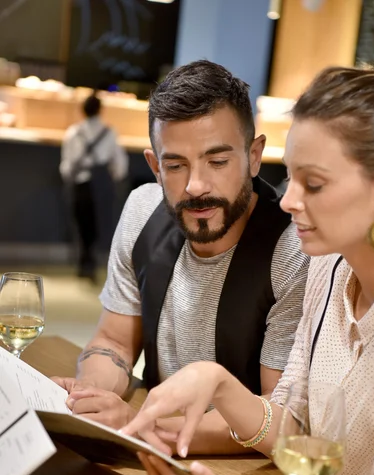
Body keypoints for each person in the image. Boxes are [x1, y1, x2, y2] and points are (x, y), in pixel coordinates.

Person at [112, 65, 374, 475]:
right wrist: (220, 385)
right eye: (290, 177)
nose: (286, 201)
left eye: (313, 184)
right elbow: (294, 427)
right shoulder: (329, 271)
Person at [55, 60, 309, 453]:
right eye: (175, 165)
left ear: (254, 156)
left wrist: (142, 427)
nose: (195, 186)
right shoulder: (142, 211)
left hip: (245, 471)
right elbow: (114, 341)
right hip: (152, 451)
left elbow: (278, 412)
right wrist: (92, 395)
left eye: (218, 161)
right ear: (155, 167)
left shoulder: (292, 249)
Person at [60, 93, 129, 281]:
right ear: (100, 110)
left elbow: (66, 165)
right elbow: (120, 164)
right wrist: (115, 178)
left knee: (81, 223)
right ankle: (92, 261)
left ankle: (83, 261)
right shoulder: (109, 132)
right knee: (100, 222)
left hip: (81, 183)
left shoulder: (74, 132)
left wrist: (69, 178)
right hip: (102, 183)